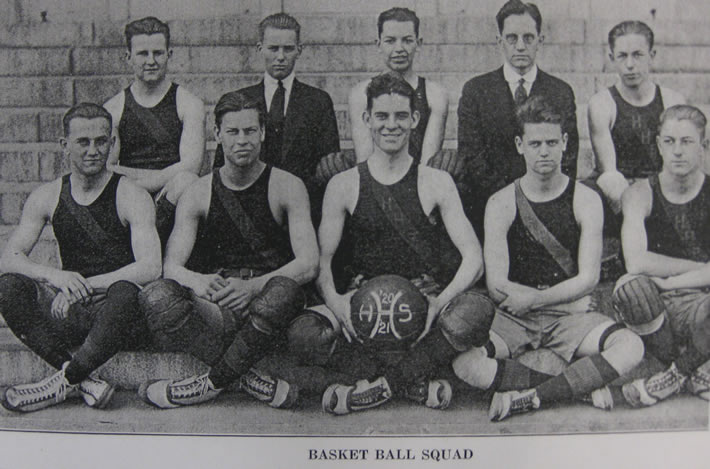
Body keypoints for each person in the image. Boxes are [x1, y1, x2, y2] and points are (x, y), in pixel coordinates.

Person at [243, 73, 493, 414]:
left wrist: (439, 302)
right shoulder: (344, 184)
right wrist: (338, 303)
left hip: (420, 305)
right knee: (303, 334)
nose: (391, 125)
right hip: (362, 307)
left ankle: (380, 384)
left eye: (401, 116)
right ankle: (411, 382)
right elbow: (323, 262)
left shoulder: (437, 181)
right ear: (367, 119)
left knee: (476, 310)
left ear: (415, 120)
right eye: (382, 116)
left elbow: (473, 258)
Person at [452, 96, 644, 421]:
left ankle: (532, 396)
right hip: (515, 317)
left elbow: (589, 278)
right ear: (520, 144)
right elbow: (497, 283)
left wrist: (538, 299)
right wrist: (532, 303)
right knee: (464, 362)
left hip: (569, 317)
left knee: (630, 346)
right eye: (535, 143)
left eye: (552, 142)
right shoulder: (501, 202)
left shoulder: (586, 199)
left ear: (565, 144)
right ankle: (576, 386)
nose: (544, 151)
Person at [137, 90, 319, 409]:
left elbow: (308, 263)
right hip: (219, 302)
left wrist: (251, 287)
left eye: (250, 130)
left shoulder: (287, 185)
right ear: (218, 135)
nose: (242, 140)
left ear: (262, 133)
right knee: (156, 295)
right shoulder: (198, 192)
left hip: (267, 305)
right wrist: (199, 282)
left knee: (286, 290)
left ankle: (209, 383)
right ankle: (245, 378)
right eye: (232, 132)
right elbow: (172, 265)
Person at [0, 103, 161, 412]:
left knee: (126, 290)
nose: (93, 150)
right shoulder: (46, 195)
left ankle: (62, 382)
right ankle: (80, 379)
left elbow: (151, 267)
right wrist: (55, 277)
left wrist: (84, 285)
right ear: (64, 145)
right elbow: (10, 257)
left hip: (116, 313)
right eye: (82, 142)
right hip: (71, 308)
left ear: (112, 144)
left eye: (101, 141)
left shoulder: (131, 195)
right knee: (8, 286)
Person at [600, 105, 710, 408]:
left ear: (704, 146)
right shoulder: (640, 193)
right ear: (659, 144)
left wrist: (671, 282)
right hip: (657, 306)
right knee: (630, 284)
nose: (677, 151)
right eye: (669, 141)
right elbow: (636, 260)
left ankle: (674, 376)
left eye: (687, 142)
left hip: (702, 304)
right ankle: (695, 370)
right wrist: (701, 268)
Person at [457, 0, 578, 239]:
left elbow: (568, 156)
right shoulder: (476, 91)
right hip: (491, 205)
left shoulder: (560, 91)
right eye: (512, 38)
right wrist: (510, 200)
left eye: (528, 38)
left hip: (547, 205)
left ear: (540, 40)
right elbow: (471, 157)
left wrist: (539, 199)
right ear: (499, 40)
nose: (520, 46)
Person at [217, 13, 340, 219]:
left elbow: (328, 166)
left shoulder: (318, 101)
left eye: (288, 49)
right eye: (273, 48)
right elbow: (222, 166)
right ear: (260, 48)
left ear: (299, 50)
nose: (280, 56)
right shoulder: (240, 100)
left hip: (305, 208)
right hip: (250, 206)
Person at [104, 16, 206, 247]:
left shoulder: (189, 104)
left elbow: (191, 166)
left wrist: (137, 180)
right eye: (143, 53)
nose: (151, 61)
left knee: (187, 181)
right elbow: (107, 170)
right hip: (130, 197)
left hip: (173, 197)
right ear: (128, 57)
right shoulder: (113, 108)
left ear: (169, 54)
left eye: (158, 53)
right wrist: (141, 186)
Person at [588, 21, 684, 216]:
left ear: (652, 56)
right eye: (622, 56)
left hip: (662, 191)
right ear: (612, 58)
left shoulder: (672, 101)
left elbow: (679, 160)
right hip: (620, 197)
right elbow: (609, 175)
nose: (630, 65)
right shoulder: (602, 104)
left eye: (638, 55)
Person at [348, 7, 449, 166]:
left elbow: (427, 166)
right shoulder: (361, 93)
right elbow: (365, 162)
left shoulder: (435, 94)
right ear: (378, 44)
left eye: (407, 40)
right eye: (390, 41)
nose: (399, 49)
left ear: (419, 43)